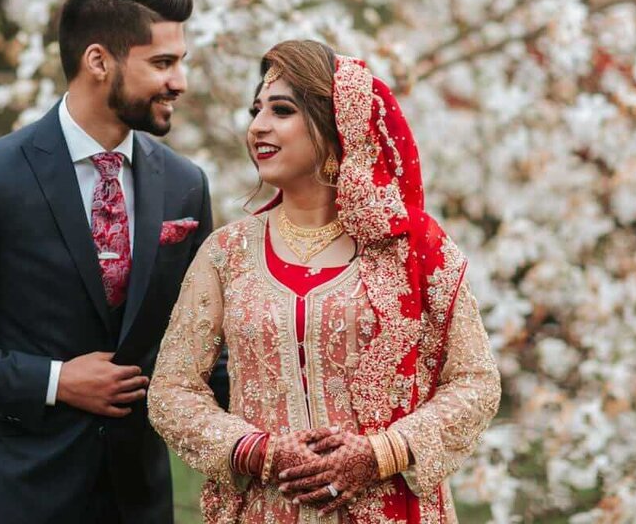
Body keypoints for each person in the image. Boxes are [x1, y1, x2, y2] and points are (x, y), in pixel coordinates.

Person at [0, 0, 221, 524]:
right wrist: (56, 382)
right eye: (162, 63)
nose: (180, 82)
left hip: (136, 501)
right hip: (13, 496)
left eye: (180, 61)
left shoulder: (186, 184)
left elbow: (205, 349)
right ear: (99, 61)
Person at [149, 39, 500, 523]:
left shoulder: (410, 246)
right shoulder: (227, 254)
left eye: (282, 110)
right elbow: (171, 389)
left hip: (391, 509)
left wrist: (381, 454)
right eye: (255, 110)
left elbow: (476, 382)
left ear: (337, 124)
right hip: (266, 510)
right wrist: (258, 452)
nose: (258, 127)